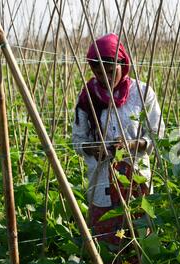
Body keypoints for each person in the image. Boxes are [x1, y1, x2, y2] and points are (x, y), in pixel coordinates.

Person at [72, 33, 165, 247]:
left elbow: (157, 134)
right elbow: (77, 139)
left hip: (137, 178)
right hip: (102, 179)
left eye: (111, 70)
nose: (104, 77)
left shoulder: (142, 93)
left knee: (139, 238)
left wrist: (131, 145)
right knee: (106, 244)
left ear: (123, 63)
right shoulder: (87, 96)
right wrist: (93, 149)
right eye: (97, 71)